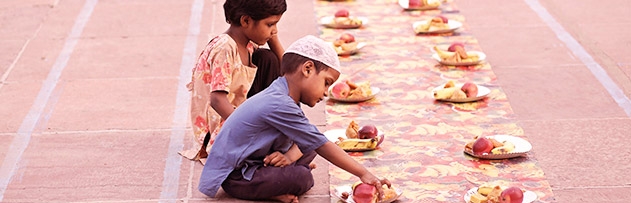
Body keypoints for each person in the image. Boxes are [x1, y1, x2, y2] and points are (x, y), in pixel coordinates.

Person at [198, 35, 391, 203]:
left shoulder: (283, 91)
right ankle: (271, 190)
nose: (325, 93)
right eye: (326, 83)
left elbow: (310, 138)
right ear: (307, 69)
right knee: (302, 177)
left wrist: (289, 156)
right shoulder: (279, 103)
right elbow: (321, 144)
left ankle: (278, 179)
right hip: (237, 176)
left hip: (255, 160)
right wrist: (363, 173)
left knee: (308, 145)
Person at [179, 0, 289, 164]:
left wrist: (272, 39)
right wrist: (249, 129)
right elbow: (217, 100)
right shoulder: (225, 47)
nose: (275, 30)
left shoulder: (246, 42)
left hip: (238, 112)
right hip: (220, 126)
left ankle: (273, 139)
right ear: (245, 21)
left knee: (268, 59)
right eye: (270, 24)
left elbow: (287, 72)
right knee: (289, 148)